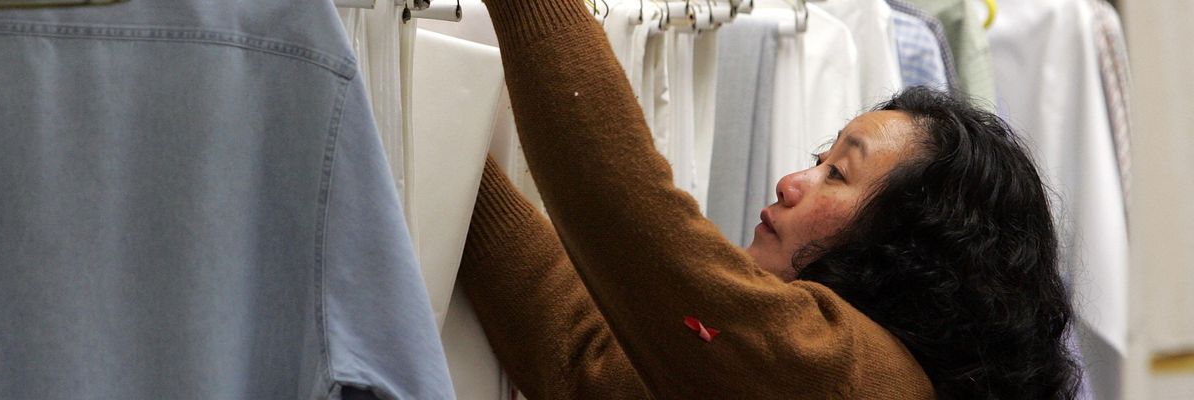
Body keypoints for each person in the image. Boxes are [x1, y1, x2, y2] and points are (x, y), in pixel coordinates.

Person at [455, 0, 1081, 398]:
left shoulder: (851, 377)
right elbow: (588, 360)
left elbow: (636, 223)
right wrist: (432, 141)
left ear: (911, 245)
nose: (791, 183)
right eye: (818, 160)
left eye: (838, 175)